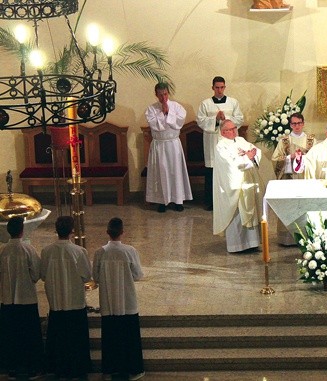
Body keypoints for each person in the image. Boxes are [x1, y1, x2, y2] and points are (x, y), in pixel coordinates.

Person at [40, 216, 92, 379]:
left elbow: (42, 275)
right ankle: (78, 369)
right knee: (76, 339)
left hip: (57, 302)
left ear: (56, 230)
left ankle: (58, 368)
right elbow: (86, 275)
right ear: (72, 231)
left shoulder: (46, 251)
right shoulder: (78, 251)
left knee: (58, 339)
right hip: (75, 302)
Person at [92, 217, 145, 381]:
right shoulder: (130, 251)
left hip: (109, 302)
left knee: (110, 337)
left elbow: (96, 277)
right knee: (130, 337)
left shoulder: (100, 252)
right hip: (127, 302)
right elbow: (137, 275)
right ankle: (134, 369)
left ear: (107, 232)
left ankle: (109, 370)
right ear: (122, 232)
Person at [0, 217, 45, 379]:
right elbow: (36, 273)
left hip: (8, 299)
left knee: (11, 336)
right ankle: (33, 368)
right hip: (26, 299)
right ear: (22, 231)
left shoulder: (3, 251)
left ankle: (11, 368)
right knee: (30, 336)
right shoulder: (28, 250)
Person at [213, 119, 262, 253]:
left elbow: (254, 150)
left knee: (250, 210)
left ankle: (252, 243)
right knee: (237, 213)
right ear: (223, 132)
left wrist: (252, 155)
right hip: (234, 185)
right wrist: (247, 158)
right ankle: (237, 246)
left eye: (235, 128)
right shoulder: (221, 146)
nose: (234, 130)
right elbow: (229, 164)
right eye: (231, 129)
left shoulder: (241, 140)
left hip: (247, 183)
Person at [197, 76, 244, 211]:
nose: (219, 90)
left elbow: (239, 119)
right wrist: (216, 119)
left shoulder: (233, 102)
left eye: (222, 87)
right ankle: (211, 202)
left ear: (225, 87)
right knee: (212, 170)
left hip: (229, 141)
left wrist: (226, 118)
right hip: (212, 141)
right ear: (212, 88)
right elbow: (201, 121)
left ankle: (231, 200)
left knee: (229, 169)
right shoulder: (205, 104)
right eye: (217, 87)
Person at [145, 82, 193, 213]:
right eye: (160, 95)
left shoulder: (177, 107)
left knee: (175, 172)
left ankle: (177, 200)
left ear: (168, 93)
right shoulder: (151, 109)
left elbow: (179, 122)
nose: (163, 98)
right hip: (159, 145)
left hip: (173, 144)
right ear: (156, 95)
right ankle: (162, 201)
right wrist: (163, 113)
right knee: (161, 172)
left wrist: (168, 112)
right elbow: (154, 124)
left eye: (165, 94)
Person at [271, 112, 316, 245]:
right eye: (294, 123)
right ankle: (287, 239)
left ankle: (307, 235)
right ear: (290, 125)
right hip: (288, 180)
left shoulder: (311, 140)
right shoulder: (284, 141)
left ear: (303, 123)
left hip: (305, 179)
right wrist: (288, 158)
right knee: (289, 208)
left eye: (299, 123)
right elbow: (274, 159)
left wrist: (304, 157)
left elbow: (316, 158)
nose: (297, 126)